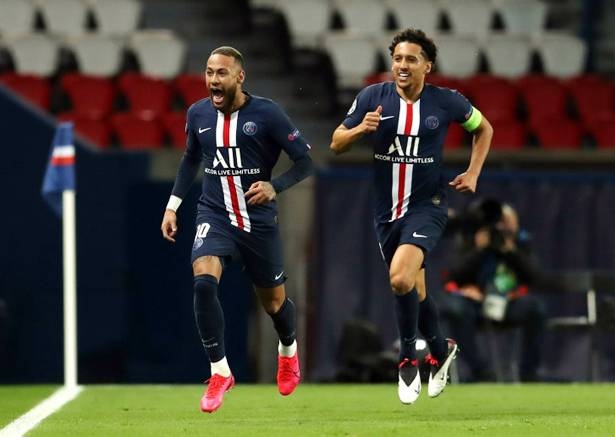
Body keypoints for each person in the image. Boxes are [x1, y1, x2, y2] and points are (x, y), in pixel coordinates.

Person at [329, 28, 493, 404]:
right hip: (386, 213)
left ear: (427, 66)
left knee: (400, 278)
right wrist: (359, 129)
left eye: (411, 59)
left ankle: (407, 356)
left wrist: (473, 172)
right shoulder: (373, 96)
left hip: (427, 207)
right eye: (398, 58)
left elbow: (483, 128)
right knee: (414, 289)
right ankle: (440, 348)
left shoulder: (447, 102)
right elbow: (336, 143)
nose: (402, 66)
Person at [160, 46, 313, 413]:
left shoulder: (267, 113)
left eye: (222, 73)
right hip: (214, 214)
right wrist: (172, 205)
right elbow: (191, 157)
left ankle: (288, 350)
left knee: (274, 303)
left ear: (239, 77)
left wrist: (275, 185)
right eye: (209, 72)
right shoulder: (197, 113)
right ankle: (219, 371)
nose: (214, 79)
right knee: (202, 280)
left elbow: (305, 160)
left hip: (257, 222)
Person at [443, 202, 547, 382]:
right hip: (475, 303)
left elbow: (535, 278)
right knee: (454, 309)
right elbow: (453, 276)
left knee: (536, 308)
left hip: (510, 303)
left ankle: (529, 373)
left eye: (506, 223)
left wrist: (511, 251)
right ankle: (481, 371)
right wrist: (480, 250)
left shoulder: (520, 243)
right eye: (498, 223)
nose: (500, 228)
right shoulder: (471, 241)